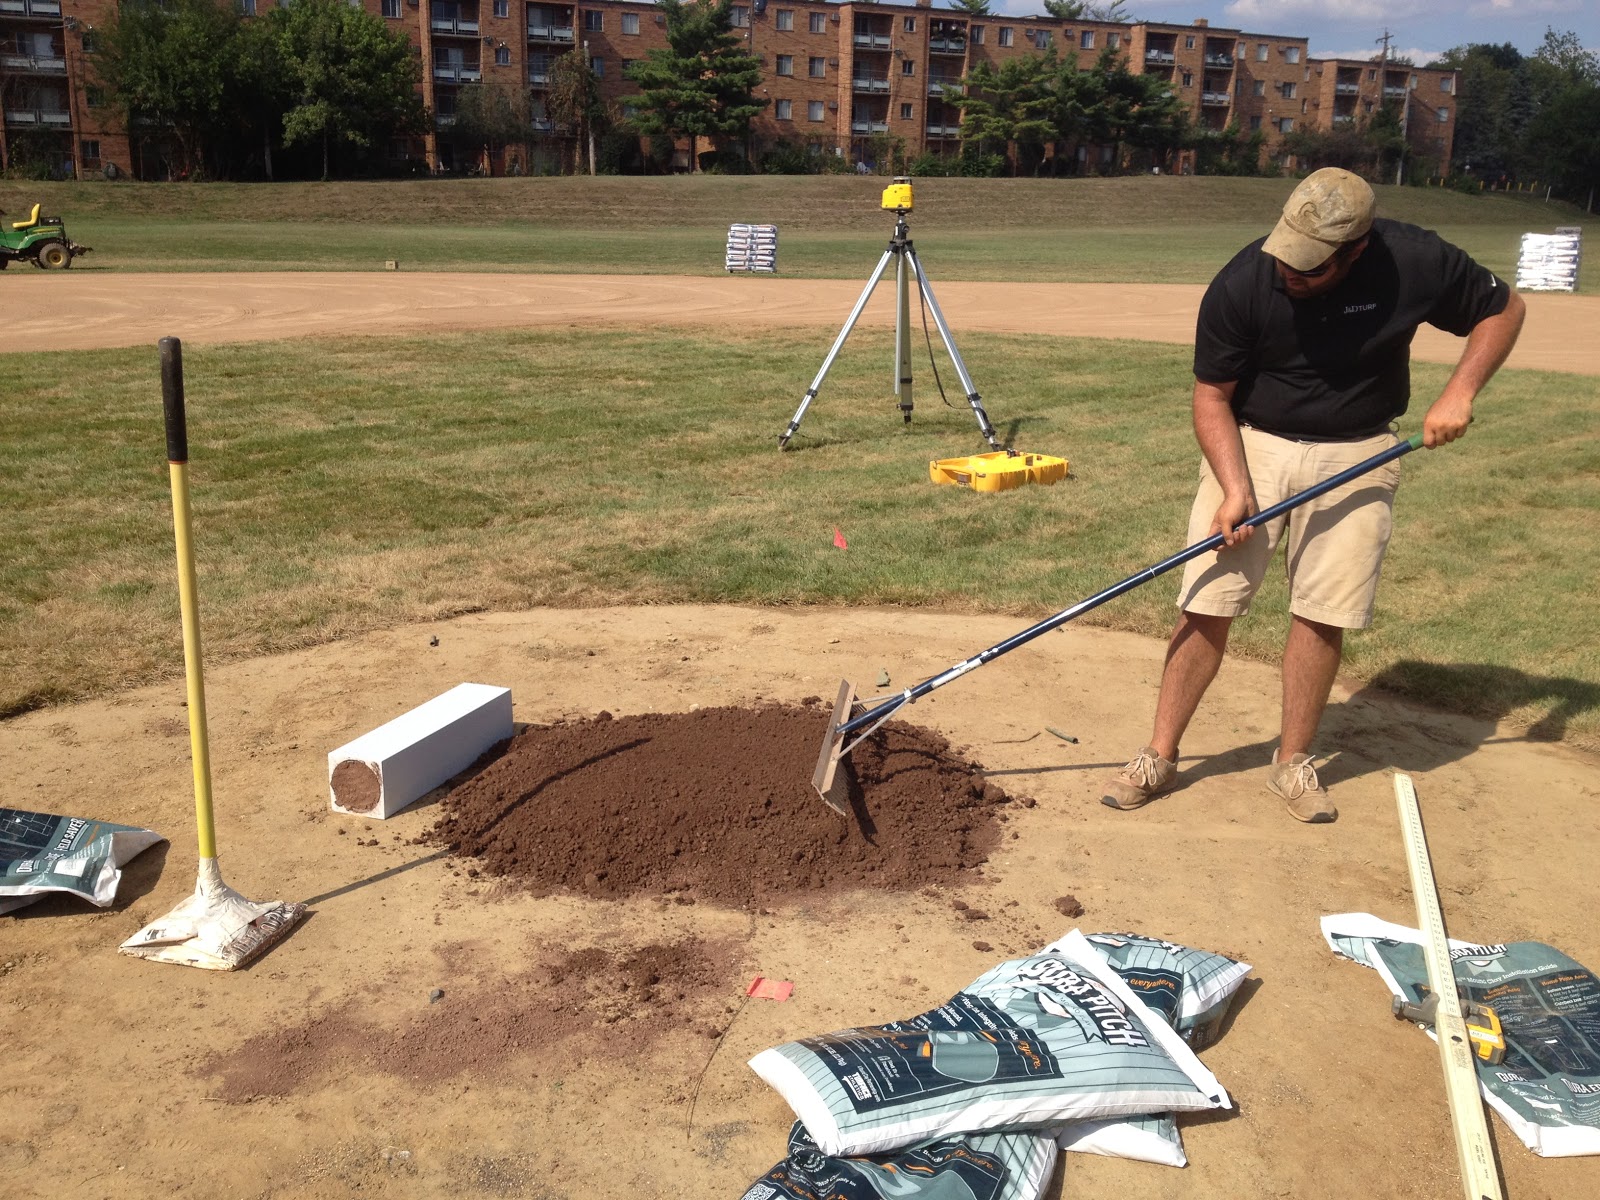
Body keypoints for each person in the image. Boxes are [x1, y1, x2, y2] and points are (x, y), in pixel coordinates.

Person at [1102, 167, 1525, 824]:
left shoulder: (1413, 258)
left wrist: (1460, 391)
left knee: (1323, 610)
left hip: (1359, 450)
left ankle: (1291, 763)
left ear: (1355, 250)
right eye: (1287, 258)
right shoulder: (1244, 281)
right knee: (1207, 600)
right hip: (1253, 441)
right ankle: (1159, 751)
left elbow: (1503, 308)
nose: (1289, 275)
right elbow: (1211, 396)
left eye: (1309, 268)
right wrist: (1235, 487)